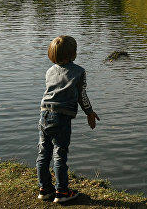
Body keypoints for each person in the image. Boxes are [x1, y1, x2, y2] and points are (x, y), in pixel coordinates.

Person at [36, 35, 100, 203]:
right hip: (61, 117)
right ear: (73, 54)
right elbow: (82, 95)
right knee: (60, 154)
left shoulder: (50, 71)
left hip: (44, 114)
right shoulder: (79, 71)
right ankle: (62, 192)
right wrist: (90, 112)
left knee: (43, 153)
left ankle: (44, 189)